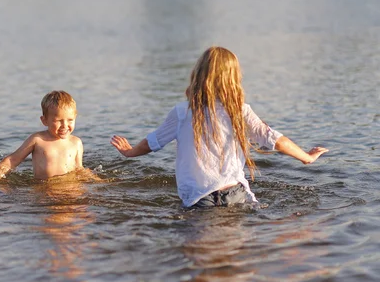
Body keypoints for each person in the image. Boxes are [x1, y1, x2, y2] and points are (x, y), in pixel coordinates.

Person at [110, 46, 328, 208]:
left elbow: (153, 142)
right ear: (233, 79)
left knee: (202, 254)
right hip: (236, 192)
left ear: (198, 75)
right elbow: (275, 140)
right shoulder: (240, 111)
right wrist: (306, 157)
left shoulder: (182, 112)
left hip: (199, 197)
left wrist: (130, 152)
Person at [0, 90, 86, 185]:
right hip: (44, 188)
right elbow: (13, 160)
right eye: (58, 120)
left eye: (70, 120)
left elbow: (79, 169)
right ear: (44, 120)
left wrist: (97, 181)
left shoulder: (76, 142)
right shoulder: (38, 140)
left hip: (71, 187)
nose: (64, 125)